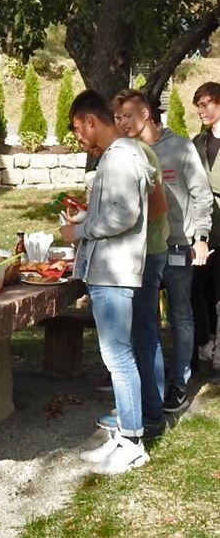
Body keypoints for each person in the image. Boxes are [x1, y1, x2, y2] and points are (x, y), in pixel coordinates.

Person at [60, 90, 154, 474]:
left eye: (77, 129)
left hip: (115, 272)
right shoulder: (118, 158)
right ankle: (123, 436)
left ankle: (132, 441)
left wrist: (80, 229)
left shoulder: (119, 158)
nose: (78, 137)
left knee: (119, 357)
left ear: (90, 120)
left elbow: (124, 216)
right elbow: (115, 211)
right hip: (109, 270)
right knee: (116, 356)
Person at [113, 90, 213, 415]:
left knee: (180, 313)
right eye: (117, 118)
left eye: (127, 115)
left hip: (178, 246)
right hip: (140, 250)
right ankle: (148, 380)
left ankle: (179, 382)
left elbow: (201, 194)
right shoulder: (125, 151)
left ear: (145, 114)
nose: (122, 123)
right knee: (145, 317)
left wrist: (201, 238)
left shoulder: (180, 147)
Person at [191, 82, 220, 371]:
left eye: (207, 103)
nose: (202, 110)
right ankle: (203, 342)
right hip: (201, 231)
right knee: (196, 290)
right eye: (198, 105)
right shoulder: (196, 143)